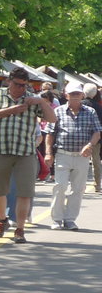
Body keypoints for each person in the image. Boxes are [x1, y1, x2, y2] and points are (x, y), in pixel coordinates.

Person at [0, 70, 55, 244]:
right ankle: (2, 220)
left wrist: (42, 102)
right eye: (17, 84)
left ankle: (20, 229)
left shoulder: (31, 99)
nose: (20, 88)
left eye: (24, 85)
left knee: (24, 192)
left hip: (25, 151)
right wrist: (11, 110)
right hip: (0, 149)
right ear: (9, 81)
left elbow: (52, 119)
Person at [49, 83, 101, 231]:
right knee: (60, 186)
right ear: (66, 96)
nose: (75, 97)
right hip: (63, 154)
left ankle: (70, 219)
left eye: (77, 94)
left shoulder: (90, 112)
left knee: (77, 189)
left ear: (82, 96)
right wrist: (48, 153)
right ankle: (57, 219)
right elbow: (51, 133)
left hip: (82, 156)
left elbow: (97, 132)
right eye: (72, 94)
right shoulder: (58, 111)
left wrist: (90, 145)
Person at [85, 84, 102, 192]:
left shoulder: (80, 105)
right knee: (96, 161)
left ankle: (80, 184)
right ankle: (97, 184)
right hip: (96, 137)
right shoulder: (98, 106)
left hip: (82, 137)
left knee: (81, 161)